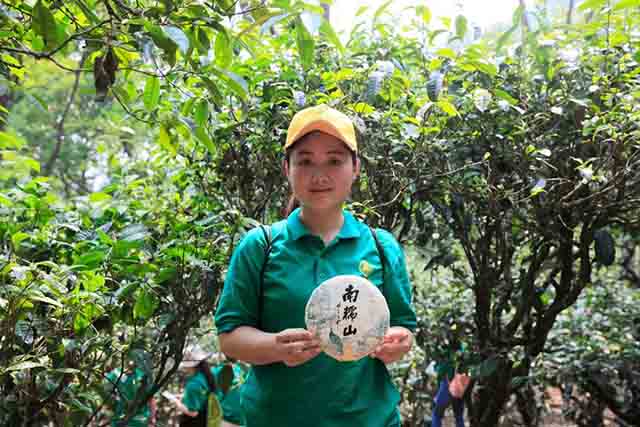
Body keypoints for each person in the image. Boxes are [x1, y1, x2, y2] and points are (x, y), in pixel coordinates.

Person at [214, 104, 417, 427]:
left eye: (334, 160)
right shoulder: (260, 246)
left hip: (369, 419)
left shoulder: (381, 246)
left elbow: (403, 326)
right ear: (287, 168)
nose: (319, 175)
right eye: (305, 161)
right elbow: (229, 336)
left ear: (356, 167)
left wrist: (396, 341)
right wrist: (275, 347)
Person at [170, 347, 220, 427]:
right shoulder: (208, 376)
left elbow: (193, 413)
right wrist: (183, 396)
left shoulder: (193, 384)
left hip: (193, 422)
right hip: (206, 419)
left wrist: (176, 402)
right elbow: (202, 396)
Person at [104, 359, 157, 427]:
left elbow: (151, 398)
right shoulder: (116, 373)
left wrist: (152, 418)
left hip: (140, 419)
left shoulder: (142, 376)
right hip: (121, 415)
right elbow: (106, 389)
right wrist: (116, 398)